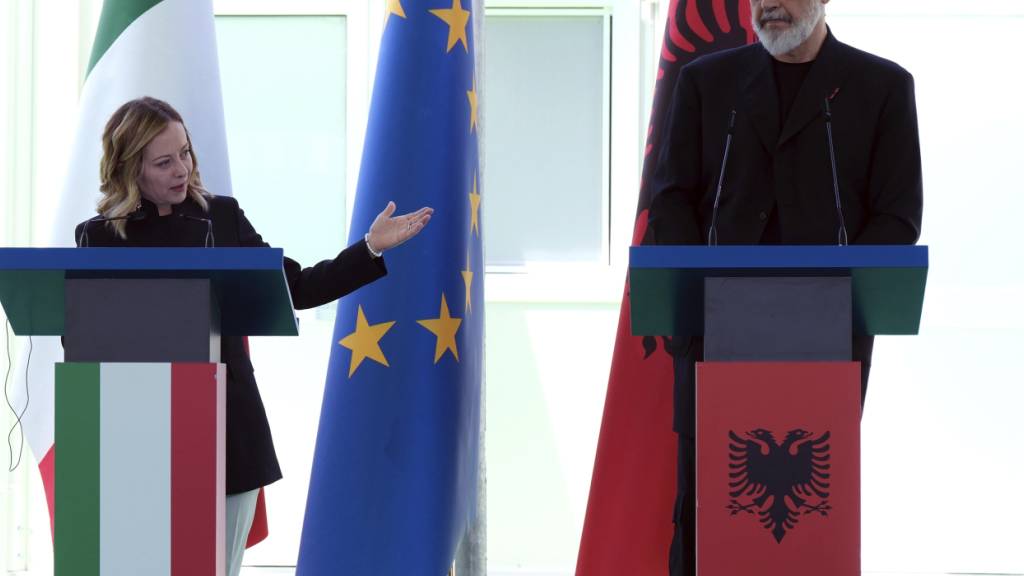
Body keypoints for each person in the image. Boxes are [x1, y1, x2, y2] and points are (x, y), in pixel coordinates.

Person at [74, 96, 432, 576]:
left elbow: (297, 287)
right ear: (129, 169)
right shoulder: (98, 238)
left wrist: (368, 248)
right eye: (164, 161)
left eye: (185, 152)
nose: (182, 168)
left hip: (226, 432)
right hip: (135, 437)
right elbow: (85, 339)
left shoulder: (221, 217)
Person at [646, 1, 923, 574]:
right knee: (706, 517)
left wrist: (827, 297)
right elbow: (671, 199)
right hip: (713, 337)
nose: (768, 4)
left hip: (825, 342)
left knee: (807, 519)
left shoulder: (883, 86)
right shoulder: (706, 83)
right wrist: (701, 291)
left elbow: (898, 216)